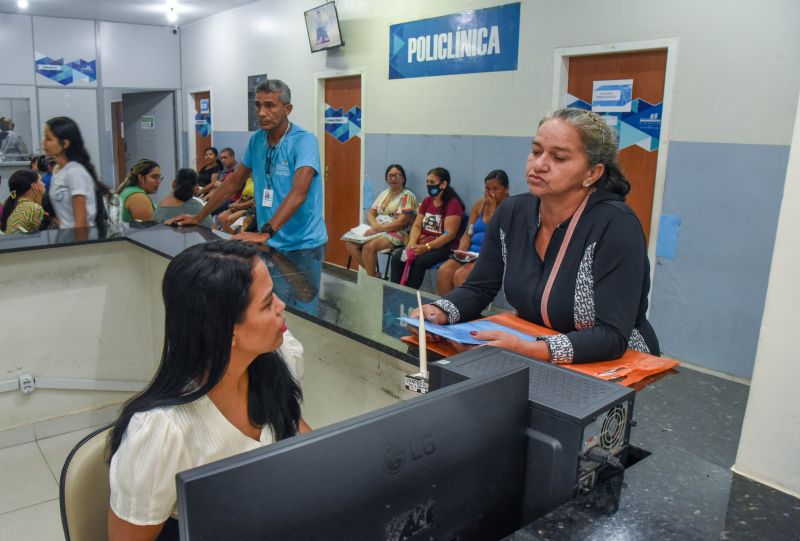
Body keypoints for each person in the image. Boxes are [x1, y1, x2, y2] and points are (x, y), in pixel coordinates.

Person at [414, 108, 660, 364]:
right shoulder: (513, 213)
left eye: (559, 157)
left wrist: (530, 349)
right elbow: (479, 287)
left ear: (592, 173)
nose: (539, 164)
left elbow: (611, 336)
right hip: (533, 349)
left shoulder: (616, 225)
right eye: (536, 151)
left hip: (612, 363)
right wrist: (439, 312)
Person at [107, 241, 311, 540]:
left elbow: (299, 439)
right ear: (226, 329)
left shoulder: (274, 363)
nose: (281, 306)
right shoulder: (163, 431)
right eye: (268, 304)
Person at [166, 79, 328, 253]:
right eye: (258, 106)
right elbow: (233, 183)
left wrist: (265, 233)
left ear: (287, 109)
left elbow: (299, 193)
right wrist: (199, 217)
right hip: (270, 240)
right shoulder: (257, 140)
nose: (262, 113)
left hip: (303, 244)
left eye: (270, 106)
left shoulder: (304, 141)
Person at [389, 167, 465, 289]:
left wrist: (426, 248)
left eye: (432, 182)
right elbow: (417, 225)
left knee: (419, 262)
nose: (429, 185)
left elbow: (449, 234)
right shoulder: (427, 201)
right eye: (427, 182)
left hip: (444, 246)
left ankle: (408, 296)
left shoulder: (453, 204)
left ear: (443, 184)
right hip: (423, 242)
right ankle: (394, 294)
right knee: (397, 258)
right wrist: (412, 242)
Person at [436, 169, 510, 295]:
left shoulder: (510, 207)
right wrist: (463, 251)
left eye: (495, 189)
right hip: (471, 254)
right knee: (444, 270)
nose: (491, 193)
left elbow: (497, 237)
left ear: (506, 189)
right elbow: (468, 233)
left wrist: (492, 210)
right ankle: (445, 311)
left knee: (461, 275)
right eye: (487, 189)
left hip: (492, 257)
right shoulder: (480, 204)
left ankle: (466, 313)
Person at [344, 164, 418, 276]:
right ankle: (373, 275)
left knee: (369, 247)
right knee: (350, 243)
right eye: (390, 175)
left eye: (397, 175)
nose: (393, 178)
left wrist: (379, 229)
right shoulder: (385, 193)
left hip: (397, 232)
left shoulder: (407, 196)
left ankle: (371, 280)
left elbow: (402, 221)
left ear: (403, 178)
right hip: (378, 229)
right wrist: (375, 226)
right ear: (386, 178)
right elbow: (371, 213)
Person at [43, 116, 110, 229]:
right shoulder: (57, 170)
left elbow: (81, 223)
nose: (43, 142)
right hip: (65, 237)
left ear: (65, 143)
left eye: (48, 139)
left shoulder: (75, 173)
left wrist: (77, 246)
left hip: (80, 240)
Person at [1, 169, 45, 234]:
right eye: (40, 181)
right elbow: (42, 236)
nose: (43, 184)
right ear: (33, 186)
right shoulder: (34, 208)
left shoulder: (16, 204)